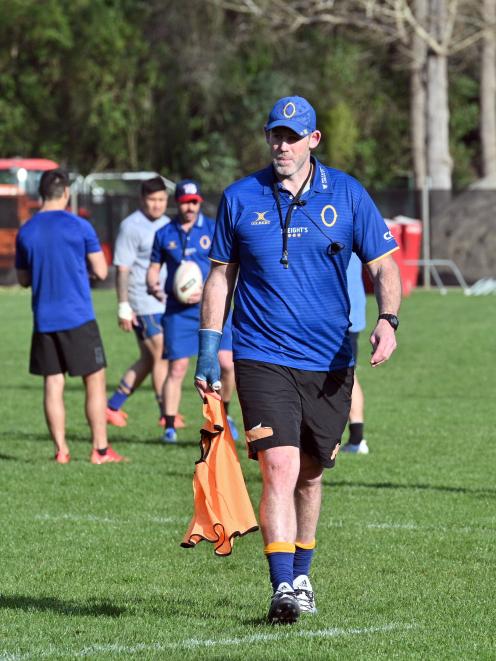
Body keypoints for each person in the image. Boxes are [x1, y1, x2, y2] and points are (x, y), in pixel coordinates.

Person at [194, 96, 401, 624]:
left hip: (329, 361)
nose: (281, 145)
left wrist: (387, 319)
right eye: (275, 135)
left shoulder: (348, 195)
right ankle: (283, 586)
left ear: (313, 140)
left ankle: (303, 570)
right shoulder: (241, 197)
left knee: (310, 473)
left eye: (292, 136)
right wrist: (206, 349)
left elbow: (383, 263)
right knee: (279, 467)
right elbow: (220, 276)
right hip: (261, 355)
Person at [15, 168, 125, 465]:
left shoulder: (26, 230)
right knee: (94, 381)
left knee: (53, 384)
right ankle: (100, 450)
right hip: (77, 316)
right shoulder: (80, 226)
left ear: (41, 194)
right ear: (66, 194)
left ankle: (61, 451)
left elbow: (23, 278)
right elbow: (102, 271)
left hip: (44, 318)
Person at [147, 179, 238, 444]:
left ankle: (226, 414)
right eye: (186, 202)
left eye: (194, 202)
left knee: (227, 364)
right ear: (178, 203)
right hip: (178, 311)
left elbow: (227, 266)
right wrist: (153, 284)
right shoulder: (164, 234)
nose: (190, 207)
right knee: (177, 368)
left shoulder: (212, 228)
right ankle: (170, 425)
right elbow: (153, 268)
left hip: (214, 308)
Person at [106, 176, 184, 430]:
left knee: (149, 359)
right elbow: (123, 268)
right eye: (152, 199)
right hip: (143, 302)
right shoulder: (131, 226)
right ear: (142, 200)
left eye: (161, 199)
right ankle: (166, 414)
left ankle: (113, 406)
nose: (157, 204)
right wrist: (124, 306)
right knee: (162, 354)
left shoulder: (168, 225)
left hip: (165, 302)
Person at [341, 252, 369, 454]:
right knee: (348, 374)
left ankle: (357, 439)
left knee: (345, 374)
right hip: (354, 311)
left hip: (339, 312)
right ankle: (356, 438)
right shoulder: (354, 224)